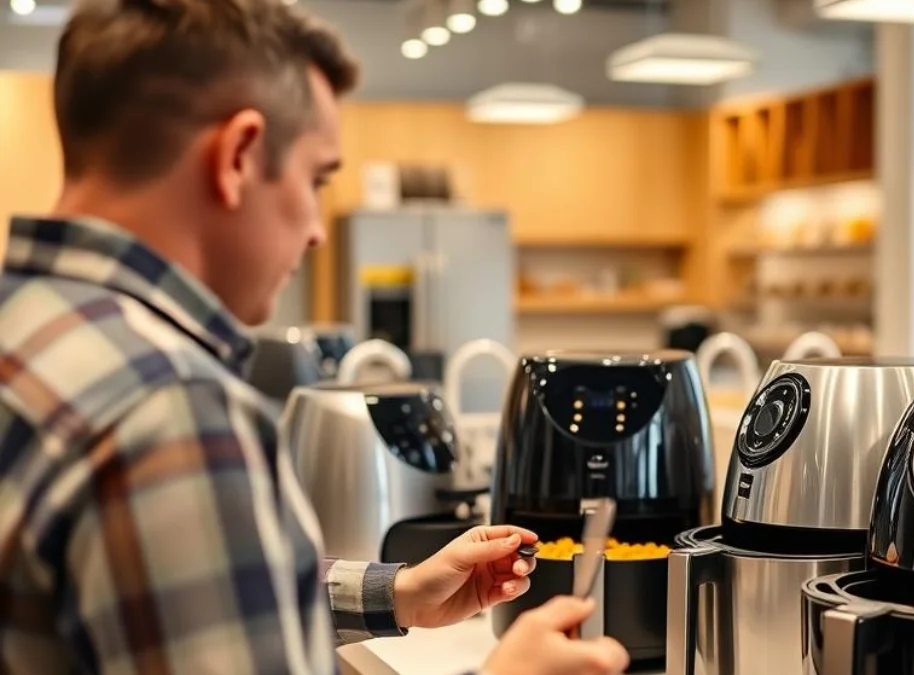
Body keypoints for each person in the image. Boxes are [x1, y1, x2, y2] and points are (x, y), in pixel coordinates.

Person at [0, 1, 631, 674]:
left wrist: (402, 592)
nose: (317, 230)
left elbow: (169, 593)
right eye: (316, 179)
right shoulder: (171, 411)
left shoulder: (30, 323)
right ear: (238, 156)